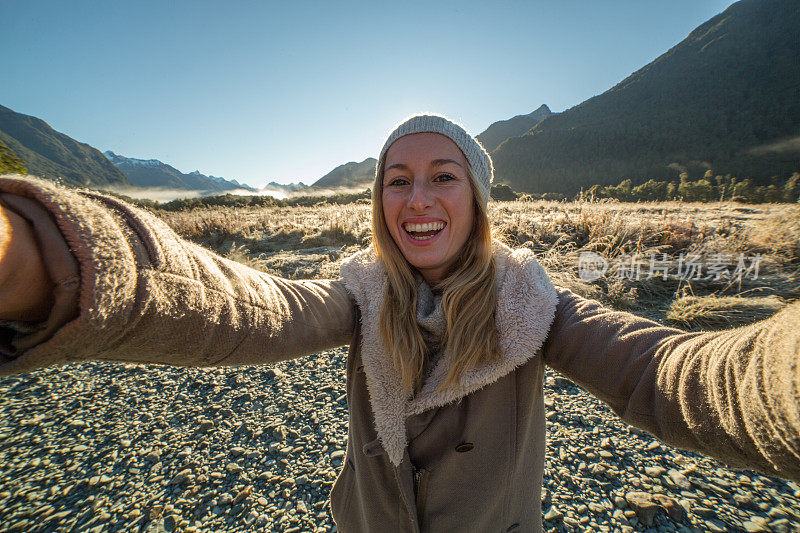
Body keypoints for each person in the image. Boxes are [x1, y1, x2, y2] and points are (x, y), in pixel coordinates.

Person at [0, 114, 798, 533]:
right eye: (397, 180)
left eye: (443, 177)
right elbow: (252, 311)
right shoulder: (358, 291)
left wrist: (782, 377)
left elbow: (668, 373)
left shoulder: (532, 303)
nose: (417, 200)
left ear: (478, 200)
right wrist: (41, 261)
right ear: (378, 199)